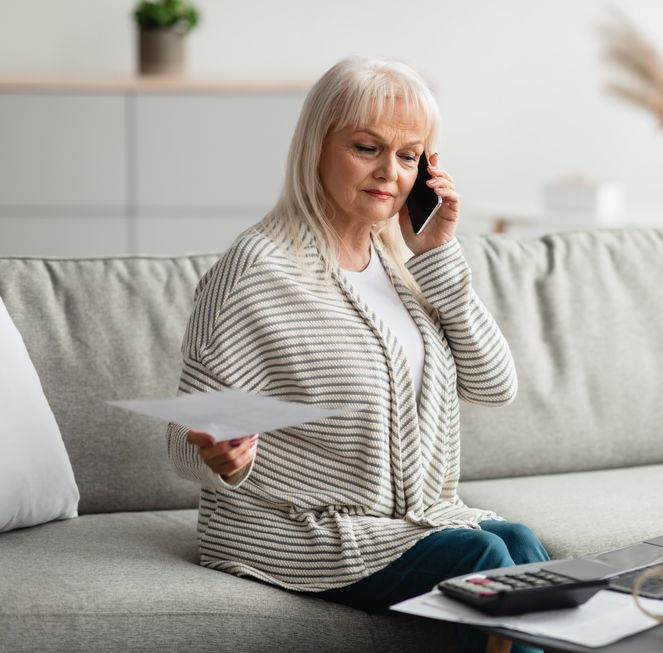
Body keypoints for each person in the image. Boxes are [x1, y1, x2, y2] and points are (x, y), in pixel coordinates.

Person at [165, 57, 549, 653]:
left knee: (520, 545)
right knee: (485, 554)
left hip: (404, 525)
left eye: (408, 155)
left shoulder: (404, 265)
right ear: (316, 147)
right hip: (295, 531)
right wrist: (231, 459)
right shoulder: (258, 271)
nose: (389, 172)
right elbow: (181, 445)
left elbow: (496, 386)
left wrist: (437, 255)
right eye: (367, 147)